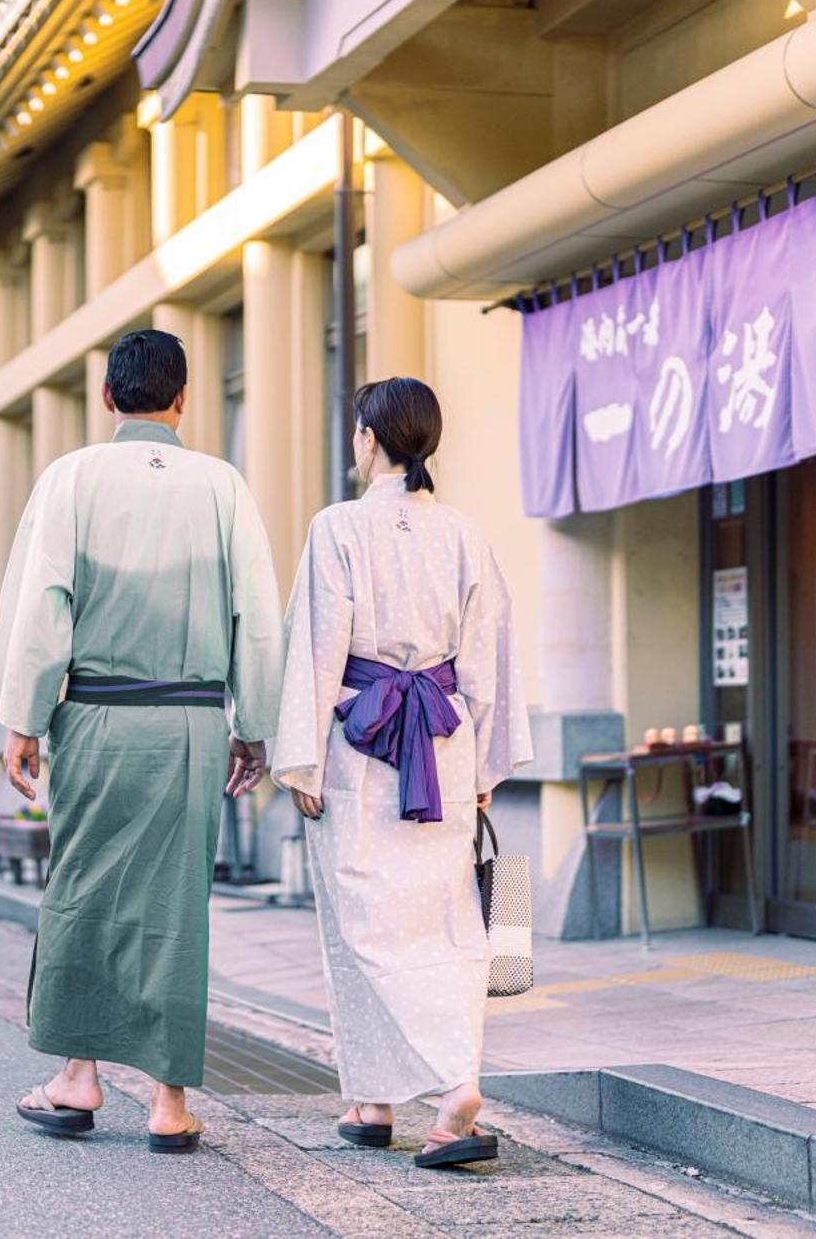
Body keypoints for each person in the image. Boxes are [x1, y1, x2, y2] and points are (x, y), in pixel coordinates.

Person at [0, 329, 282, 1154]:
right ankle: (168, 1101)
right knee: (177, 906)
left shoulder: (72, 477)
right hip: (190, 720)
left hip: (97, 716)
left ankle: (77, 1076)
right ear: (184, 400)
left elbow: (46, 606)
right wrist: (253, 726)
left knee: (79, 890)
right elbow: (256, 615)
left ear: (108, 398)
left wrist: (24, 719)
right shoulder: (222, 485)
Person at [272, 377, 532, 1171]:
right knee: (448, 921)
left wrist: (302, 756)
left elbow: (319, 645)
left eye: (357, 431)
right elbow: (487, 653)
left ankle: (457, 1088)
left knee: (365, 926)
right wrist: (487, 760)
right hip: (445, 746)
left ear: (369, 439)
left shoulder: (338, 527)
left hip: (362, 741)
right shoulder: (461, 531)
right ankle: (374, 1097)